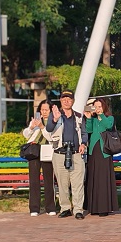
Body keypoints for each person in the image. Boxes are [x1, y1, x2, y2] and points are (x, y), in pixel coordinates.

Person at [46, 90, 88, 220]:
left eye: (69, 99)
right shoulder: (55, 114)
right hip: (59, 153)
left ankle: (78, 209)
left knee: (78, 184)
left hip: (76, 153)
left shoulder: (79, 116)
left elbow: (85, 133)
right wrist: (54, 119)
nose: (66, 101)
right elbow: (48, 128)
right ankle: (65, 208)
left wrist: (83, 144)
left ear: (73, 101)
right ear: (60, 100)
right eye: (64, 98)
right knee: (62, 184)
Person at [84, 98, 119, 217]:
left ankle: (105, 207)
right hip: (93, 150)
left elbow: (108, 126)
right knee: (93, 177)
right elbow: (88, 130)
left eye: (99, 106)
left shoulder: (109, 117)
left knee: (103, 179)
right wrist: (88, 118)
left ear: (104, 107)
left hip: (105, 151)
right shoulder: (93, 119)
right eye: (95, 107)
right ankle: (93, 207)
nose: (97, 109)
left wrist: (101, 115)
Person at [22, 100, 56, 217]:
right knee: (34, 180)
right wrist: (32, 127)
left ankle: (50, 207)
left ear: (51, 110)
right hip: (34, 151)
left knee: (48, 180)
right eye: (42, 110)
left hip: (47, 150)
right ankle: (34, 208)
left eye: (46, 110)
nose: (44, 112)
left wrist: (42, 127)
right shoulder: (36, 120)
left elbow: (51, 137)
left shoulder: (54, 121)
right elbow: (26, 135)